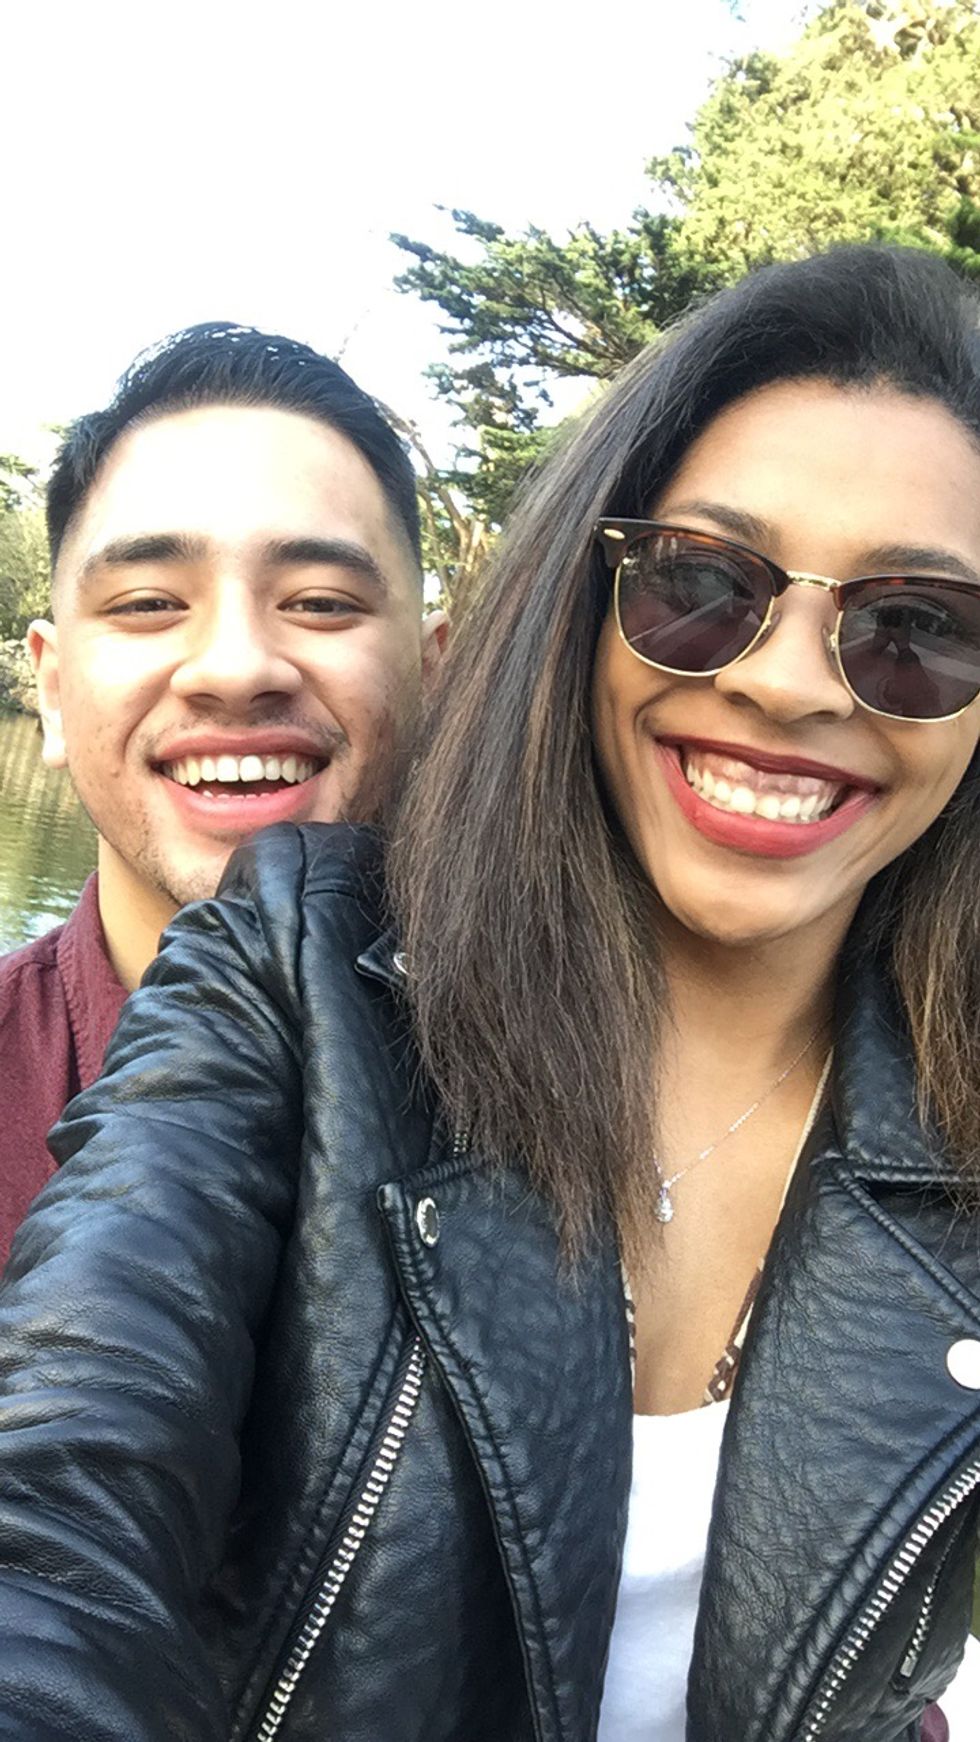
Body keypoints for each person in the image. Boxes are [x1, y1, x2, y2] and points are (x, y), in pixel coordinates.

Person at [0, 244, 979, 1742]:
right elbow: (59, 1494)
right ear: (575, 604)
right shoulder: (299, 977)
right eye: (701, 584)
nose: (790, 682)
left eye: (916, 625)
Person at [0, 324, 444, 1261]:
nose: (236, 669)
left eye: (320, 602)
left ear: (433, 677)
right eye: (148, 604)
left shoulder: (606, 1090)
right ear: (53, 690)